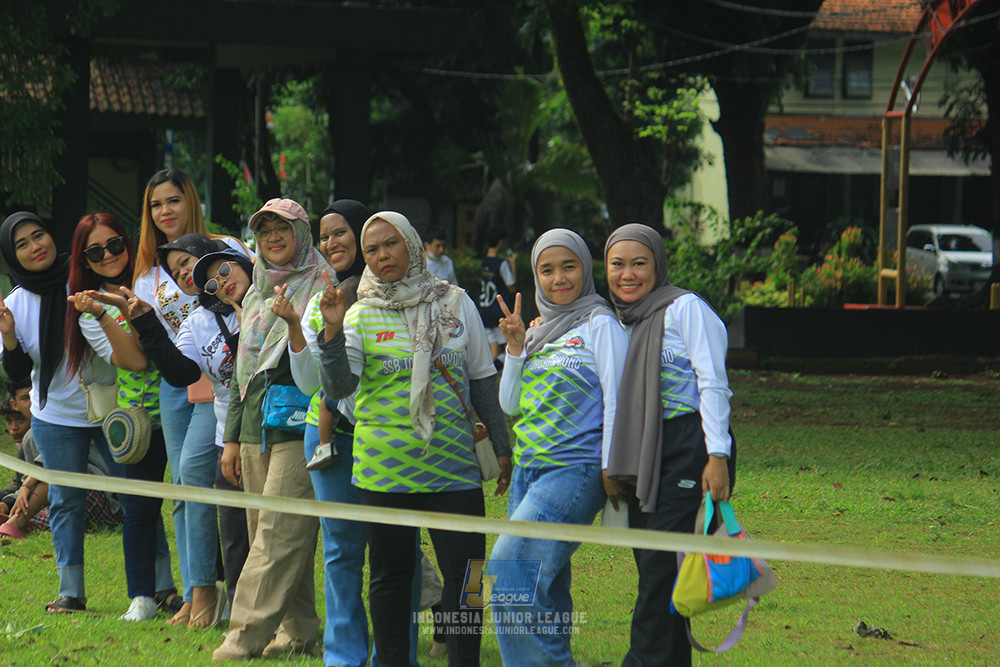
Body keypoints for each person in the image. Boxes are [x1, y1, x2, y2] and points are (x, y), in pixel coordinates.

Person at [314, 210, 512, 667]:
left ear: (413, 244)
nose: (383, 255)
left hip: (454, 471)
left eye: (391, 244)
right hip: (384, 474)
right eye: (372, 249)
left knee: (467, 580)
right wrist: (331, 332)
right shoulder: (359, 313)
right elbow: (338, 389)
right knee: (389, 577)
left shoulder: (456, 303)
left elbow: (481, 380)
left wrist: (502, 447)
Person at [489, 229, 628, 665]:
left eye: (569, 266)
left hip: (576, 469)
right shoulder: (536, 332)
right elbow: (509, 404)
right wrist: (514, 349)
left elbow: (620, 397)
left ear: (586, 269)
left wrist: (613, 466)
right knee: (543, 584)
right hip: (529, 471)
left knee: (508, 575)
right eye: (547, 270)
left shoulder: (600, 324)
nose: (558, 278)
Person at [603, 223, 736, 667]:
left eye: (638, 263)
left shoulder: (685, 308)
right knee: (658, 570)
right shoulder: (623, 320)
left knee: (659, 573)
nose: (628, 274)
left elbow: (713, 383)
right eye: (617, 264)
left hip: (689, 444)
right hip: (646, 451)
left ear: (657, 264)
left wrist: (717, 456)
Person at [132, 168, 246, 624]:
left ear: (190, 200)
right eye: (156, 205)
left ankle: (217, 592)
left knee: (204, 479)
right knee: (183, 488)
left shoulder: (228, 247)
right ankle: (198, 591)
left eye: (173, 200)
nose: (165, 211)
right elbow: (158, 351)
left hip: (223, 385)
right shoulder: (148, 271)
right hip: (180, 380)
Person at [212, 198, 324, 661]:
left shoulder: (323, 285)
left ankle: (244, 636)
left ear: (302, 234)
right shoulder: (256, 291)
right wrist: (234, 438)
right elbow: (245, 370)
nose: (273, 238)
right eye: (264, 231)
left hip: (304, 424)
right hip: (258, 424)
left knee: (279, 530)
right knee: (268, 530)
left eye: (283, 229)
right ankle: (299, 630)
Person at [0, 212, 118, 612]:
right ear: (12, 257)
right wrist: (9, 336)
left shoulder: (84, 279)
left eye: (40, 235)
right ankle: (72, 591)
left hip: (109, 408)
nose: (36, 247)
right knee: (65, 501)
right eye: (23, 244)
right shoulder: (14, 304)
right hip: (55, 417)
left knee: (138, 497)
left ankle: (155, 587)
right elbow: (17, 376)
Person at [66, 212, 176, 621]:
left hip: (188, 405)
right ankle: (142, 597)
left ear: (128, 244)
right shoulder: (88, 309)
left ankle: (210, 591)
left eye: (115, 244)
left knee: (195, 502)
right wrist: (100, 313)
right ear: (85, 261)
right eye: (96, 251)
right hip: (140, 419)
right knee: (139, 507)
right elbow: (132, 359)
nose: (109, 255)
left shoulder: (156, 279)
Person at [477, 229, 517, 362]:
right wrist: (513, 264)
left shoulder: (484, 262)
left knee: (492, 351)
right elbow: (511, 286)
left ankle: (491, 375)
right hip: (498, 311)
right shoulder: (501, 264)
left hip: (485, 310)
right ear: (501, 242)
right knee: (509, 349)